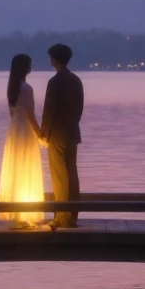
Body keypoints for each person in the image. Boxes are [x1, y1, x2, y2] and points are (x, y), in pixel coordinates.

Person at [0, 54, 46, 228]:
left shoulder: (12, 88)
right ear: (25, 68)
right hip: (25, 129)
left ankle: (19, 214)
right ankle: (23, 216)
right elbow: (30, 114)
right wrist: (40, 134)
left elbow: (13, 112)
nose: (32, 67)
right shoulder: (27, 88)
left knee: (17, 166)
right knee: (26, 166)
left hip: (14, 128)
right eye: (30, 64)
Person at [39, 43, 83, 229]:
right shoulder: (76, 80)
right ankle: (71, 216)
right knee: (71, 174)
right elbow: (80, 108)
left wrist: (43, 134)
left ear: (55, 59)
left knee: (59, 176)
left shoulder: (55, 82)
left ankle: (62, 217)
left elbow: (49, 111)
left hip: (57, 134)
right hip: (72, 132)